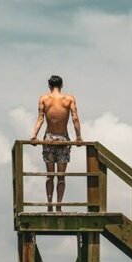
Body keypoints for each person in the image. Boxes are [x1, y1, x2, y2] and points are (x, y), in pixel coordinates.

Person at [29, 75, 82, 212]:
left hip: (49, 138)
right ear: (62, 85)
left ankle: (49, 204)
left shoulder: (44, 99)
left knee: (50, 175)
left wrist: (34, 136)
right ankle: (58, 205)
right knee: (61, 177)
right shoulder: (69, 99)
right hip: (63, 139)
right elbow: (75, 118)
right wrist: (78, 137)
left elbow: (40, 118)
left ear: (49, 86)